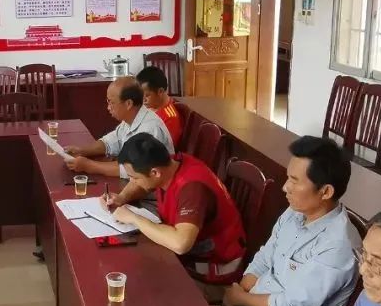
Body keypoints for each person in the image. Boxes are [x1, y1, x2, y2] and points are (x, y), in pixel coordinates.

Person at [221, 135, 361, 306]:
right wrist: (240, 294)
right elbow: (265, 257)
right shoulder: (295, 212)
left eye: (295, 181)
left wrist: (239, 299)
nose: (285, 187)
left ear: (326, 191)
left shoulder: (337, 246)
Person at [109, 133, 246, 289]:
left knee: (141, 282)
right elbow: (143, 182)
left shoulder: (193, 189)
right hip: (187, 255)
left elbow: (181, 244)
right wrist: (121, 198)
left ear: (155, 173)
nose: (132, 181)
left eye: (134, 177)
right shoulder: (170, 164)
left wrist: (134, 218)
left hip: (213, 267)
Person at [64, 76, 174, 180]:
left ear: (128, 104)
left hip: (153, 188)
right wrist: (82, 151)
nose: (108, 108)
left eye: (111, 102)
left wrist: (89, 166)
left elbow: (134, 170)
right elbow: (110, 142)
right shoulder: (130, 119)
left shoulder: (150, 128)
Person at [136, 65, 183, 150]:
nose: (143, 100)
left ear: (160, 91)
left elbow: (164, 150)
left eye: (147, 95)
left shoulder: (169, 118)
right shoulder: (150, 105)